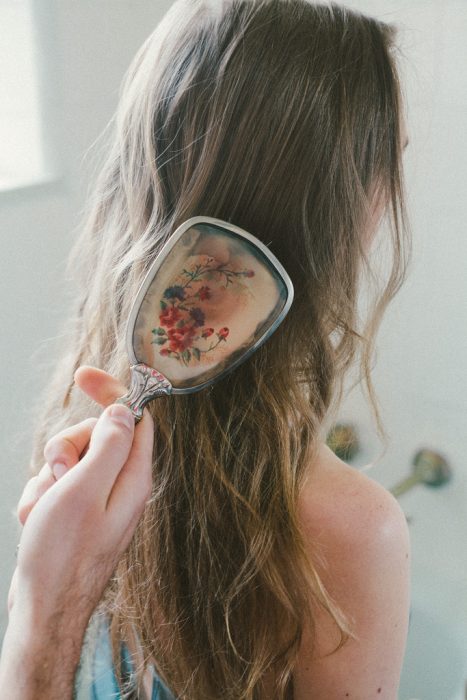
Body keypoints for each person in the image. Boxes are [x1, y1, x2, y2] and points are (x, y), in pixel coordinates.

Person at [0, 0, 413, 697]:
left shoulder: (79, 454)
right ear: (339, 208)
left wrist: (41, 607)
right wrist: (41, 613)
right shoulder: (351, 530)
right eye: (388, 165)